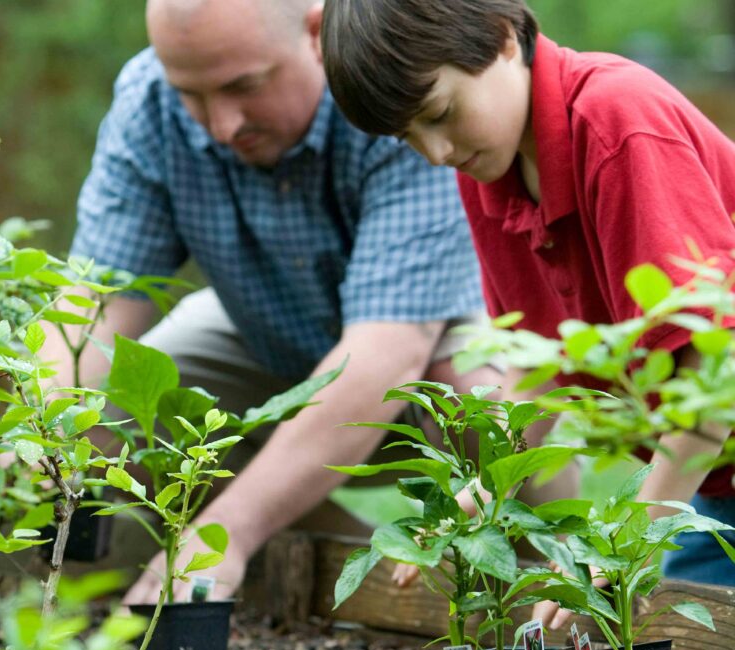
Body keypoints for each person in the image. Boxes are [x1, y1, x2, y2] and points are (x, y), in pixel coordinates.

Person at [40, 0, 512, 605]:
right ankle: (105, 604)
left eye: (244, 86)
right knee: (113, 411)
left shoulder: (389, 88)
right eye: (193, 94)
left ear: (317, 32)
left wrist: (224, 537)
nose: (221, 124)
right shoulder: (149, 101)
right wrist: (40, 429)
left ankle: (556, 599)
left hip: (428, 328)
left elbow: (384, 355)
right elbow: (97, 305)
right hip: (258, 326)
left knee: (485, 410)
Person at [320, 0, 735, 608]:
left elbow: (715, 363)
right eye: (408, 137)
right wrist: (483, 494)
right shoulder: (490, 170)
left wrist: (623, 544)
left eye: (439, 113)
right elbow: (538, 363)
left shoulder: (616, 119)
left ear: (502, 38)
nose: (435, 152)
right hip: (715, 486)